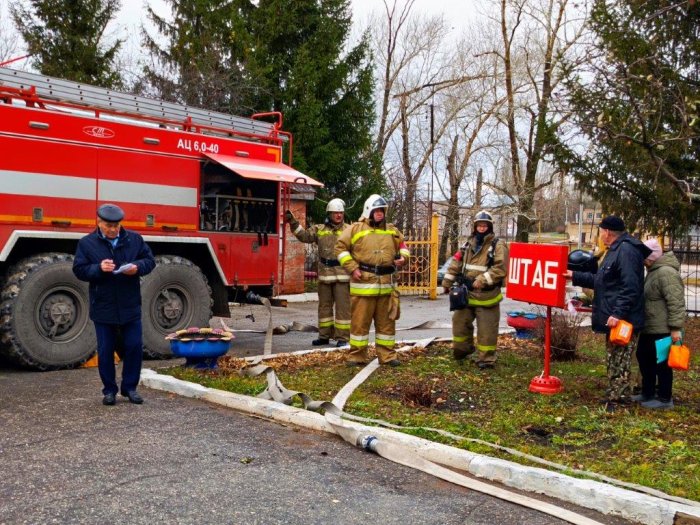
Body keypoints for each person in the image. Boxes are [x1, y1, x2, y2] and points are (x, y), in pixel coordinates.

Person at [73, 204, 156, 406]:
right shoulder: (87, 243)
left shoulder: (134, 239)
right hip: (103, 306)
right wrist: (98, 268)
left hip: (130, 305)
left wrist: (136, 268)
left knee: (134, 347)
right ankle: (109, 390)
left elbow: (149, 260)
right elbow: (79, 270)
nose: (113, 229)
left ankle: (130, 388)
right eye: (109, 225)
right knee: (106, 350)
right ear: (99, 223)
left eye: (116, 225)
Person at [565, 215, 651, 411]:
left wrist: (619, 313)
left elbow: (631, 287)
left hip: (623, 320)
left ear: (608, 232)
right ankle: (614, 394)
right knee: (614, 357)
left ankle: (619, 400)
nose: (600, 235)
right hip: (615, 316)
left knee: (620, 358)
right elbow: (603, 280)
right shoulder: (615, 250)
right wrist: (575, 276)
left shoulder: (627, 251)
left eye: (601, 231)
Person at [335, 194, 410, 366]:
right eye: (376, 211)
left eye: (382, 211)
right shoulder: (355, 229)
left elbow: (404, 247)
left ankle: (388, 356)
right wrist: (352, 267)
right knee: (359, 324)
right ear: (369, 211)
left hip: (386, 285)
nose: (379, 214)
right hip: (363, 284)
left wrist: (404, 258)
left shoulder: (392, 231)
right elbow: (340, 247)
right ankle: (356, 355)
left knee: (387, 325)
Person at [441, 211, 508, 369]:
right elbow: (455, 264)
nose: (482, 227)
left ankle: (486, 359)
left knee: (487, 330)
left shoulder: (498, 245)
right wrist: (447, 282)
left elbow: (500, 268)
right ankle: (463, 351)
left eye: (485, 225)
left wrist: (482, 280)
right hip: (466, 294)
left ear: (490, 227)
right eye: (479, 225)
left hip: (487, 296)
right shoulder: (467, 245)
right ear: (475, 226)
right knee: (459, 323)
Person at [285, 198, 351, 347]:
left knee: (343, 309)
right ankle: (324, 336)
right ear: (329, 214)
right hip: (325, 275)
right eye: (335, 213)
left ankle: (342, 338)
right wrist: (293, 222)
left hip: (342, 276)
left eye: (341, 213)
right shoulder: (319, 229)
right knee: (324, 308)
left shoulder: (349, 230)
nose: (339, 215)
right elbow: (304, 236)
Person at [634, 238, 685, 410]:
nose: (641, 258)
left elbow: (676, 302)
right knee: (644, 357)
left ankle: (665, 398)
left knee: (662, 364)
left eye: (644, 255)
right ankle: (648, 392)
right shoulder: (653, 271)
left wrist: (676, 328)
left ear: (652, 256)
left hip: (663, 328)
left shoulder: (666, 273)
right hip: (650, 326)